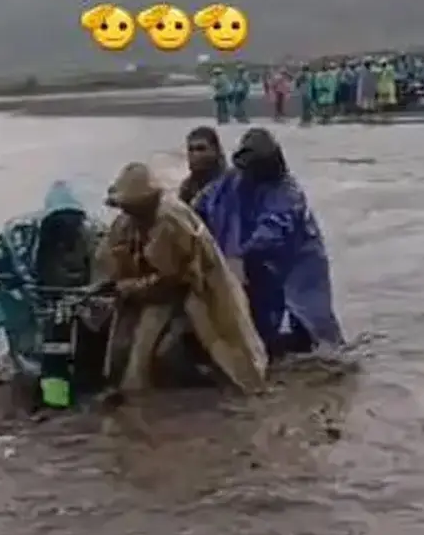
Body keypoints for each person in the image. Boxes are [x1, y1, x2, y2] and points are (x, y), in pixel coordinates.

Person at [98, 163, 268, 394]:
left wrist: (133, 286)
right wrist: (115, 281)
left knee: (229, 341)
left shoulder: (170, 221)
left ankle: (237, 384)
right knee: (125, 344)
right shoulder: (127, 222)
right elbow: (109, 255)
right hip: (154, 288)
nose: (126, 211)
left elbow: (172, 278)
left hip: (197, 287)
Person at [195, 128, 344, 358]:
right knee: (257, 327)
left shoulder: (288, 192)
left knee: (314, 329)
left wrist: (240, 255)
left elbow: (274, 230)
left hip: (297, 263)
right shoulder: (232, 180)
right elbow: (203, 204)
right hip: (253, 265)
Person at [0, 181, 109, 406]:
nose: (66, 229)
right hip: (31, 297)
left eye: (71, 222)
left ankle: (67, 394)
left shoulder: (97, 234)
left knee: (72, 351)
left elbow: (108, 271)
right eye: (59, 222)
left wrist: (92, 292)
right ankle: (49, 397)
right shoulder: (21, 234)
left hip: (80, 300)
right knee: (0, 339)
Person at [178, 126, 227, 205]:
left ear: (215, 151)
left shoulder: (227, 185)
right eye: (191, 149)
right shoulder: (187, 187)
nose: (195, 154)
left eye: (200, 149)